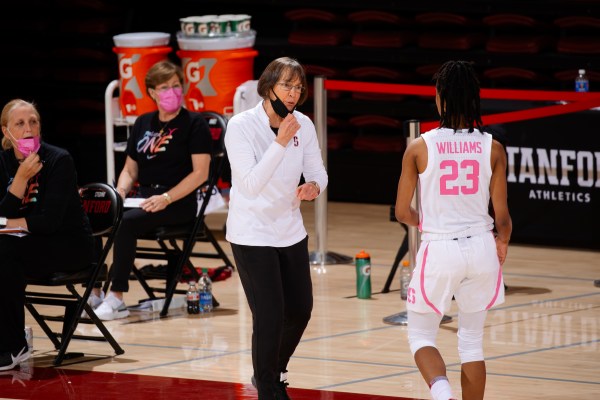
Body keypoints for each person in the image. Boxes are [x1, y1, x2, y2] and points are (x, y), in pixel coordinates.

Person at [394, 60, 512, 400]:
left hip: (440, 247)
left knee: (421, 337)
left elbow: (403, 211)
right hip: (481, 247)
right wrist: (501, 242)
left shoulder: (419, 147)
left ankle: (442, 393)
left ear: (441, 99)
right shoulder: (493, 148)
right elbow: (502, 219)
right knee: (472, 342)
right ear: (473, 99)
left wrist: (424, 223)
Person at [225, 57, 328, 399]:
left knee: (300, 310)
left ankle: (270, 370)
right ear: (268, 86)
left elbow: (318, 171)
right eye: (287, 85)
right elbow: (251, 184)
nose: (294, 93)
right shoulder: (240, 126)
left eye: (299, 87)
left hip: (290, 230)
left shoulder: (304, 125)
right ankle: (269, 387)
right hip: (252, 234)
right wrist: (280, 142)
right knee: (269, 315)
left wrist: (314, 185)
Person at [90, 60, 213, 320]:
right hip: (144, 196)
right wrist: (121, 192)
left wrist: (167, 198)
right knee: (96, 213)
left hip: (178, 201)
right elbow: (130, 169)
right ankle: (95, 290)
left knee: (125, 224)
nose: (172, 92)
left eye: (177, 86)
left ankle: (118, 298)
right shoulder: (143, 122)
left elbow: (200, 173)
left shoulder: (194, 124)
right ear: (152, 93)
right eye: (165, 87)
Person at [0, 99, 95, 370]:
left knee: (4, 253)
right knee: (5, 253)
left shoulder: (58, 160)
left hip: (69, 244)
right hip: (26, 242)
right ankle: (8, 338)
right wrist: (19, 181)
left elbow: (50, 221)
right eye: (20, 123)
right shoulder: (2, 161)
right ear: (6, 132)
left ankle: (13, 346)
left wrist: (6, 223)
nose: (28, 128)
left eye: (33, 122)